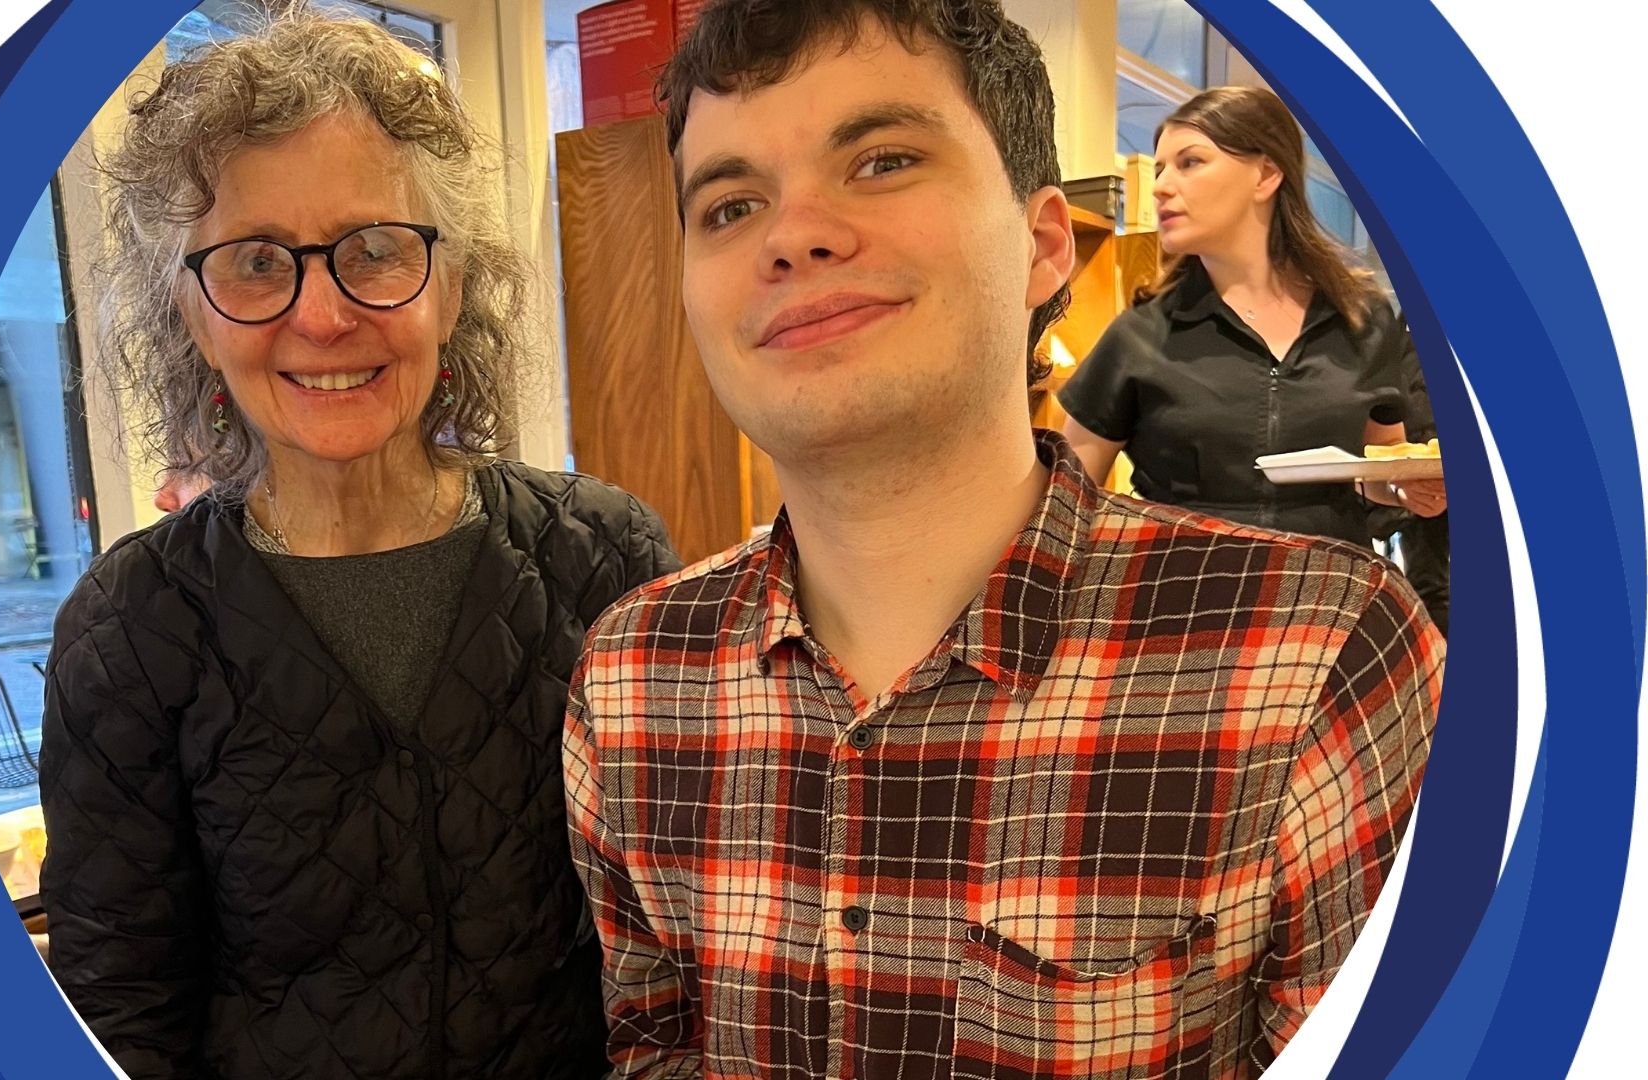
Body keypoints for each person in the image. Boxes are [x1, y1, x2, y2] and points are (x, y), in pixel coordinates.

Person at [561, 2, 1442, 1077]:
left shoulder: (1321, 662)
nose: (792, 233)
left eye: (881, 160)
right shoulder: (633, 677)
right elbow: (656, 1052)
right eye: (732, 204)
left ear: (1041, 247)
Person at [38, 11, 678, 1079]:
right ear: (191, 314)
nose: (324, 316)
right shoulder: (130, 631)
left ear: (456, 285)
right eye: (254, 262)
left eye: (376, 251)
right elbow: (119, 1021)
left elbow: (667, 949)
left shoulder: (603, 560)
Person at [1058, 86, 1448, 568]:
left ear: (1265, 174)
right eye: (1159, 169)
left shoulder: (1361, 319)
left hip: (1328, 603)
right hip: (1184, 607)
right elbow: (1066, 505)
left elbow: (1378, 461)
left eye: (1190, 162)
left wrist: (1403, 488)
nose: (1161, 185)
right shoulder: (1140, 337)